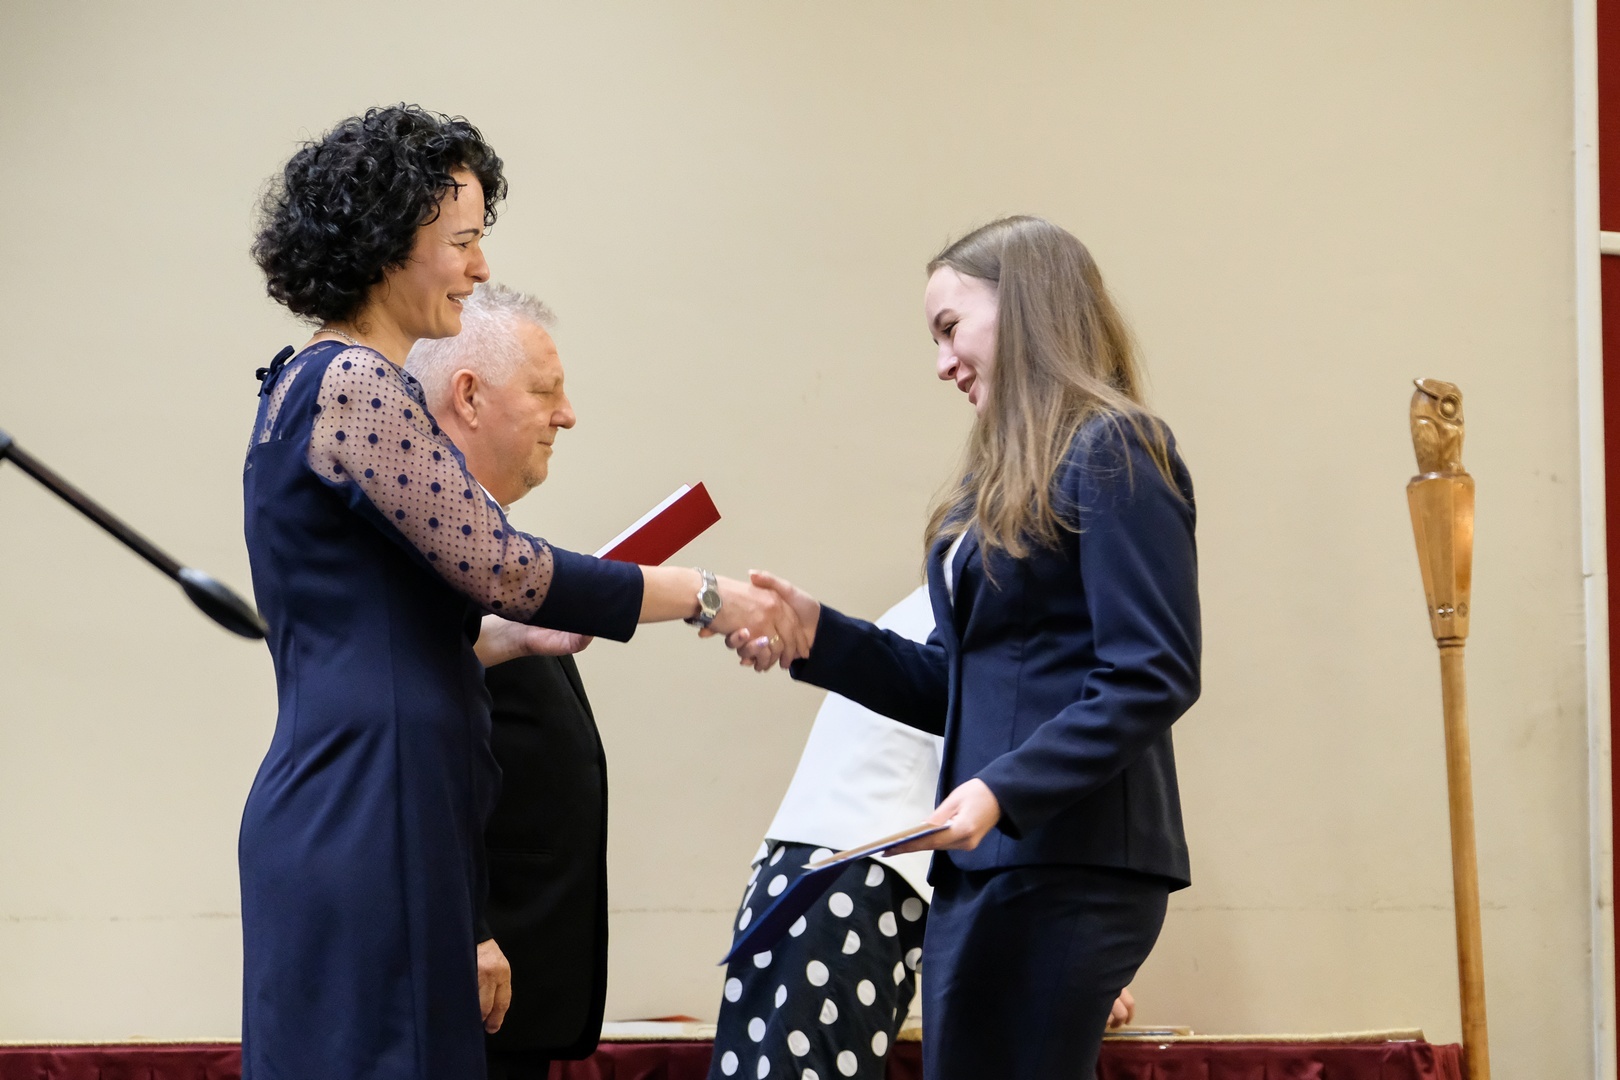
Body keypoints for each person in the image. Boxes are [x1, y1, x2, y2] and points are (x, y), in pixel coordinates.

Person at [240, 105, 807, 1080]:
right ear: (388, 243)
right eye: (462, 241)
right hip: (372, 808)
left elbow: (377, 624)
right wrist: (705, 593)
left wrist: (502, 641)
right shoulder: (358, 384)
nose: (480, 266)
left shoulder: (305, 382)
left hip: (352, 796)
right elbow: (507, 567)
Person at [726, 215, 1200, 1080]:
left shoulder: (1116, 447)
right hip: (990, 861)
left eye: (950, 328)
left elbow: (1152, 672)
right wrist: (819, 637)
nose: (942, 363)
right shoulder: (994, 482)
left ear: (1025, 306)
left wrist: (1000, 790)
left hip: (1071, 861)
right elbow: (961, 689)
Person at [406, 282, 613, 1080]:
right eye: (546, 391)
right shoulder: (419, 555)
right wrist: (468, 926)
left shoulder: (489, 548)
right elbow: (412, 762)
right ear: (469, 397)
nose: (568, 415)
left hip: (516, 995)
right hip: (463, 986)